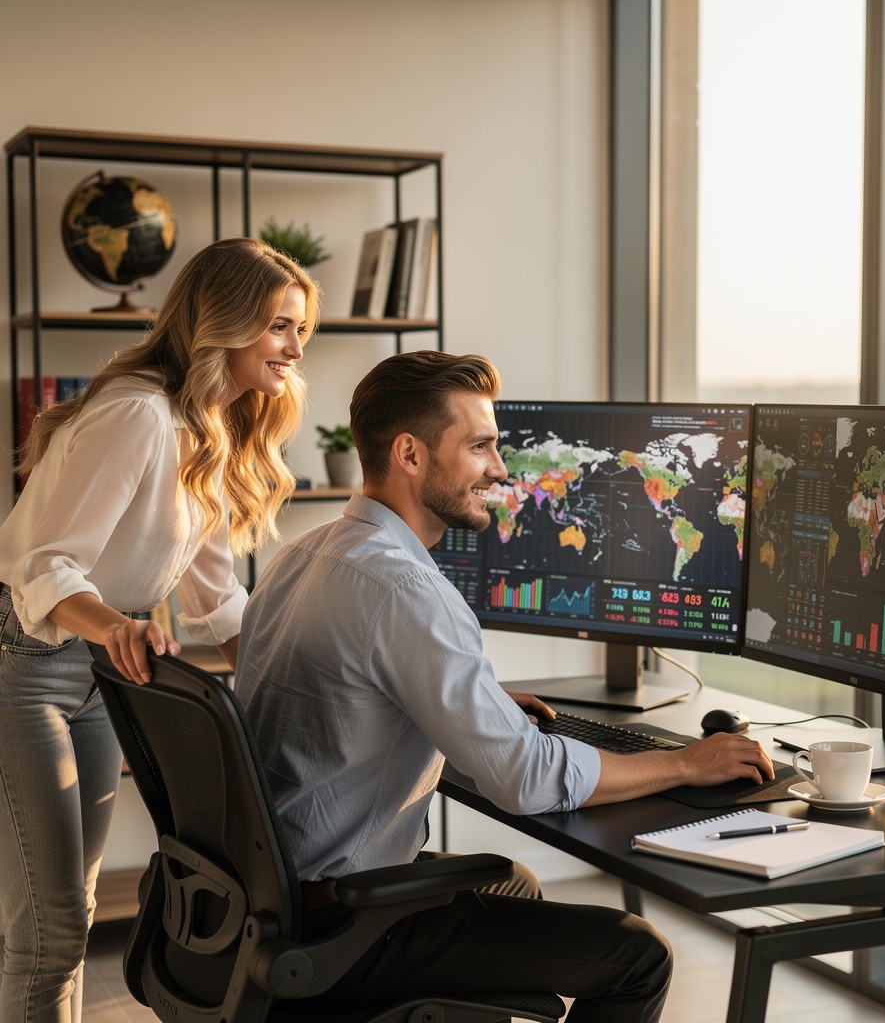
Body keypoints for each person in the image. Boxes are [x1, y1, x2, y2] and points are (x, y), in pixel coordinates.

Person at [234, 349, 774, 1022]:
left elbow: (348, 695)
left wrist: (473, 707)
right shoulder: (406, 588)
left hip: (268, 900)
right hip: (344, 925)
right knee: (637, 956)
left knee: (511, 882)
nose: (499, 468)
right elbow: (522, 780)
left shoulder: (302, 554)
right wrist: (684, 763)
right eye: (482, 446)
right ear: (410, 453)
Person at [0, 236, 321, 1023]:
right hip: (27, 667)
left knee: (68, 912)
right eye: (280, 327)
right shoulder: (138, 415)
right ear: (227, 321)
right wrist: (117, 626)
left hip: (102, 672)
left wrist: (291, 686)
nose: (293, 349)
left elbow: (216, 593)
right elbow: (39, 561)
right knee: (49, 931)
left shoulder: (203, 428)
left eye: (300, 332)